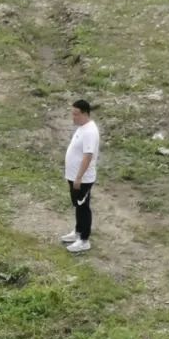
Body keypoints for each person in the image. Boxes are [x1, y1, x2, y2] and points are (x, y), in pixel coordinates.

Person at [61, 99, 101, 254]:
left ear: (85, 113)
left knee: (83, 207)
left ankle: (84, 240)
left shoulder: (90, 131)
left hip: (82, 179)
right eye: (72, 113)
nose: (73, 117)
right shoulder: (81, 128)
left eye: (76, 114)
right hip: (73, 176)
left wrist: (78, 178)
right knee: (78, 206)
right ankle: (77, 232)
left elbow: (88, 156)